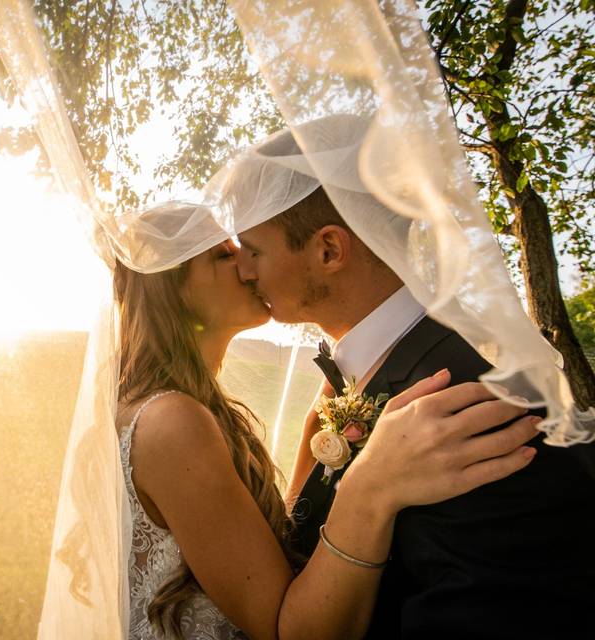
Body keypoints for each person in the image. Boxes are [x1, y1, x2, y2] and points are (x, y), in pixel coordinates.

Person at [226, 132, 595, 637]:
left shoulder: (467, 396)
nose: (243, 271)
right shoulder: (371, 372)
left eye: (253, 250)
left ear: (330, 250)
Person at [111, 224, 540, 640]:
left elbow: (261, 554)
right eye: (223, 255)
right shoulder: (172, 420)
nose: (247, 266)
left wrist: (312, 441)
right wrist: (369, 484)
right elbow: (284, 628)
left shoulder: (182, 404)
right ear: (170, 289)